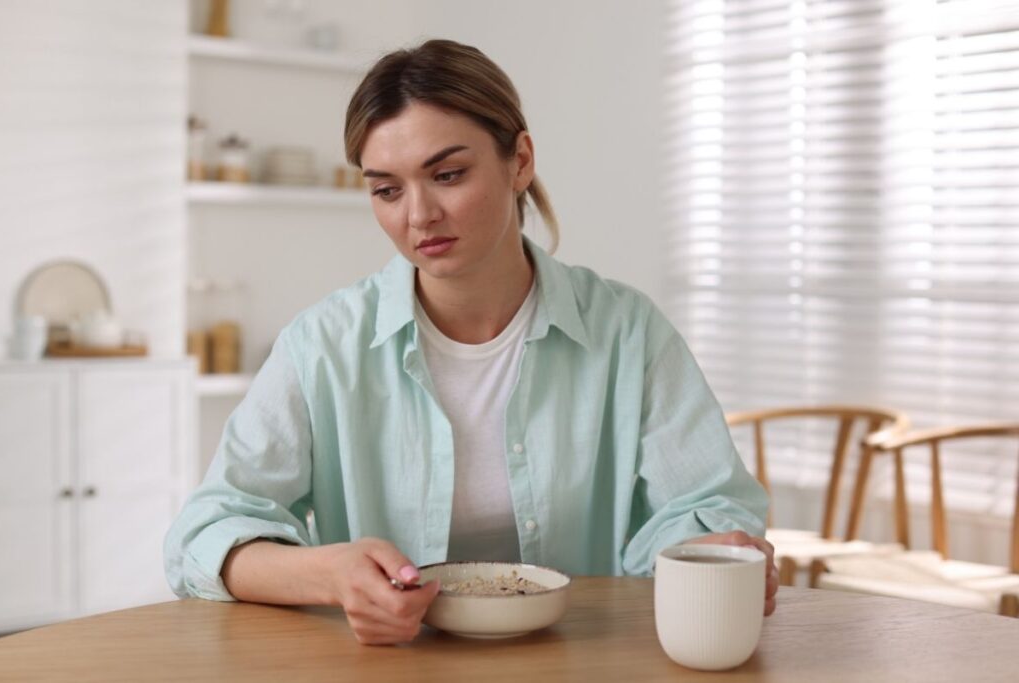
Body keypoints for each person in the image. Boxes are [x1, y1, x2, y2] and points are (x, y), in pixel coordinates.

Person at [165, 38, 778, 646]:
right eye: (387, 190)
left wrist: (711, 548)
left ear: (520, 161)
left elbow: (705, 506)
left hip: (582, 660)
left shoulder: (627, 332)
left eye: (448, 175)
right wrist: (329, 573)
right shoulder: (322, 346)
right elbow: (205, 535)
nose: (418, 215)